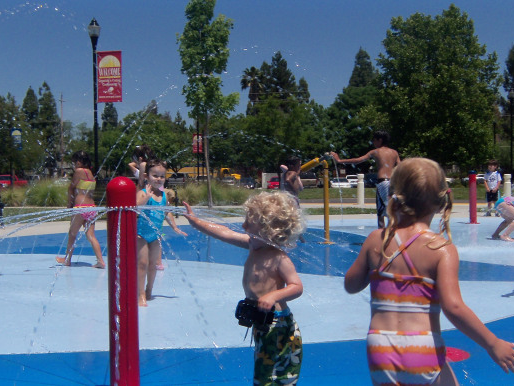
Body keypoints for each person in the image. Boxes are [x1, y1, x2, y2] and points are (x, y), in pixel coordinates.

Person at [344, 157, 514, 385]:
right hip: (422, 347)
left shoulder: (375, 240)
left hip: (380, 348)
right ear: (441, 201)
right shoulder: (440, 249)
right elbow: (454, 307)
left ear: (394, 196)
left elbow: (351, 284)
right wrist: (492, 343)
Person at [183, 191, 305, 385]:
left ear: (268, 229)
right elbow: (224, 232)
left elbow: (297, 287)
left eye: (249, 222)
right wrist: (195, 222)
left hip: (278, 324)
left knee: (277, 374)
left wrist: (274, 295)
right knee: (265, 369)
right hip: (262, 321)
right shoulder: (252, 245)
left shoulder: (279, 258)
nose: (243, 226)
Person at [136, 159, 186, 306]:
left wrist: (175, 227)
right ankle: (140, 294)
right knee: (142, 264)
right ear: (147, 177)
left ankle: (149, 290)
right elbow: (134, 208)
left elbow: (166, 213)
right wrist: (145, 200)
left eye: (161, 176)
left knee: (153, 265)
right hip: (141, 234)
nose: (158, 179)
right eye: (155, 175)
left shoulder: (164, 196)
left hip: (156, 234)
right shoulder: (143, 193)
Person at [330, 130, 401, 228]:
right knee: (391, 210)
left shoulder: (376, 152)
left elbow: (358, 160)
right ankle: (390, 235)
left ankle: (384, 236)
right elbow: (400, 167)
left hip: (382, 183)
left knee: (381, 213)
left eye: (374, 140)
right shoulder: (394, 152)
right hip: (393, 183)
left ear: (380, 140)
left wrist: (340, 160)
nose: (373, 142)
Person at [56, 151, 105, 269]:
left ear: (78, 162)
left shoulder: (78, 172)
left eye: (74, 162)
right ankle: (100, 261)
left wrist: (69, 204)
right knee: (91, 235)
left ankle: (67, 259)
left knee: (72, 233)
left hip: (80, 207)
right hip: (92, 208)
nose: (73, 165)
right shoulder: (91, 173)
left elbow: (71, 188)